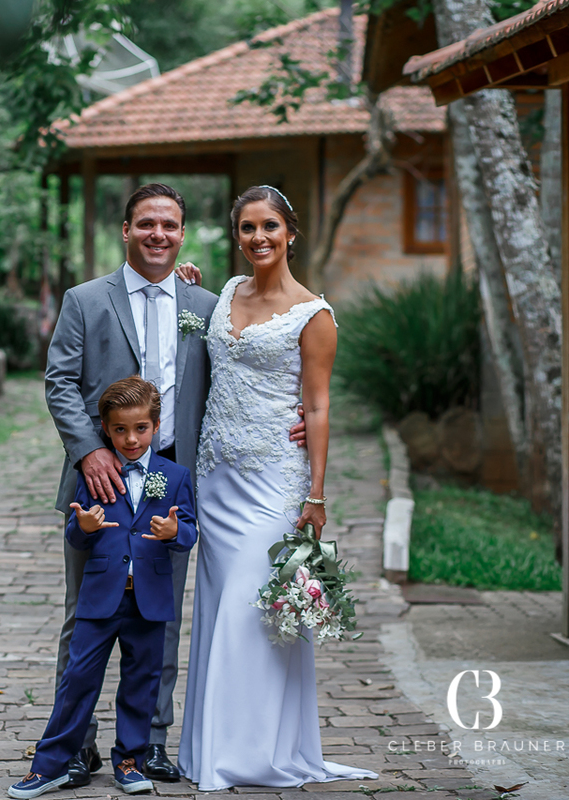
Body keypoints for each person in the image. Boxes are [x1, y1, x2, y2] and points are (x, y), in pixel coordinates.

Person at [44, 183, 306, 786]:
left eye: (169, 225)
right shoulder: (86, 300)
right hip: (102, 482)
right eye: (146, 224)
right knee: (84, 615)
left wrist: (289, 414)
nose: (157, 234)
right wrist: (88, 453)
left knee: (159, 618)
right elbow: (59, 382)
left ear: (183, 234)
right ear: (127, 230)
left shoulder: (206, 303)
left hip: (169, 480)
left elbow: (241, 367)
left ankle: (147, 744)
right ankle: (75, 744)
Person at [176, 186, 377, 790]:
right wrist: (186, 283)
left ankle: (253, 754)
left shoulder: (313, 315)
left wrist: (315, 494)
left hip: (273, 482)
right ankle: (212, 748)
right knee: (217, 612)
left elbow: (317, 405)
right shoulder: (223, 296)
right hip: (216, 477)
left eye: (269, 227)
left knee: (254, 610)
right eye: (245, 228)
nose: (257, 238)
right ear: (235, 236)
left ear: (292, 232)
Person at [9, 377, 198, 799]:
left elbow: (188, 531)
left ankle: (130, 760)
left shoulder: (175, 475)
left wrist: (173, 532)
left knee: (141, 682)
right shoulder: (92, 472)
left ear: (156, 424)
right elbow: (78, 532)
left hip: (148, 599)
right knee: (77, 680)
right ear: (105, 428)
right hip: (100, 598)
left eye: (141, 429)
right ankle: (51, 764)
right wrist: (84, 526)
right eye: (119, 430)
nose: (131, 439)